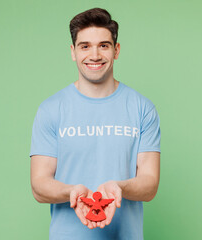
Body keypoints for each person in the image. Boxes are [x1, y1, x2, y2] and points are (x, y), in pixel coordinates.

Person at [30, 7, 161, 240]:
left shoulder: (142, 108)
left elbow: (149, 185)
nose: (95, 55)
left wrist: (119, 189)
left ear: (116, 50)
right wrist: (71, 192)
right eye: (85, 46)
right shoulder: (51, 109)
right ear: (73, 52)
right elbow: (39, 186)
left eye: (103, 45)